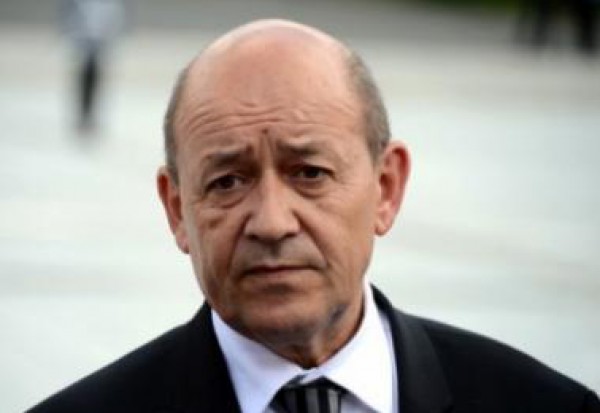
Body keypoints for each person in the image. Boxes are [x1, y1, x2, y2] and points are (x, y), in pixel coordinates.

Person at [28, 19, 599, 413]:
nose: (272, 222)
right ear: (177, 209)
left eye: (309, 173)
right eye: (227, 182)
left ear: (386, 188)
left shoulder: (547, 406)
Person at [60, 0, 127, 132]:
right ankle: (83, 114)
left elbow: (115, 16)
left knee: (96, 80)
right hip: (84, 41)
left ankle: (91, 115)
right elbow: (69, 14)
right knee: (84, 79)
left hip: (99, 41)